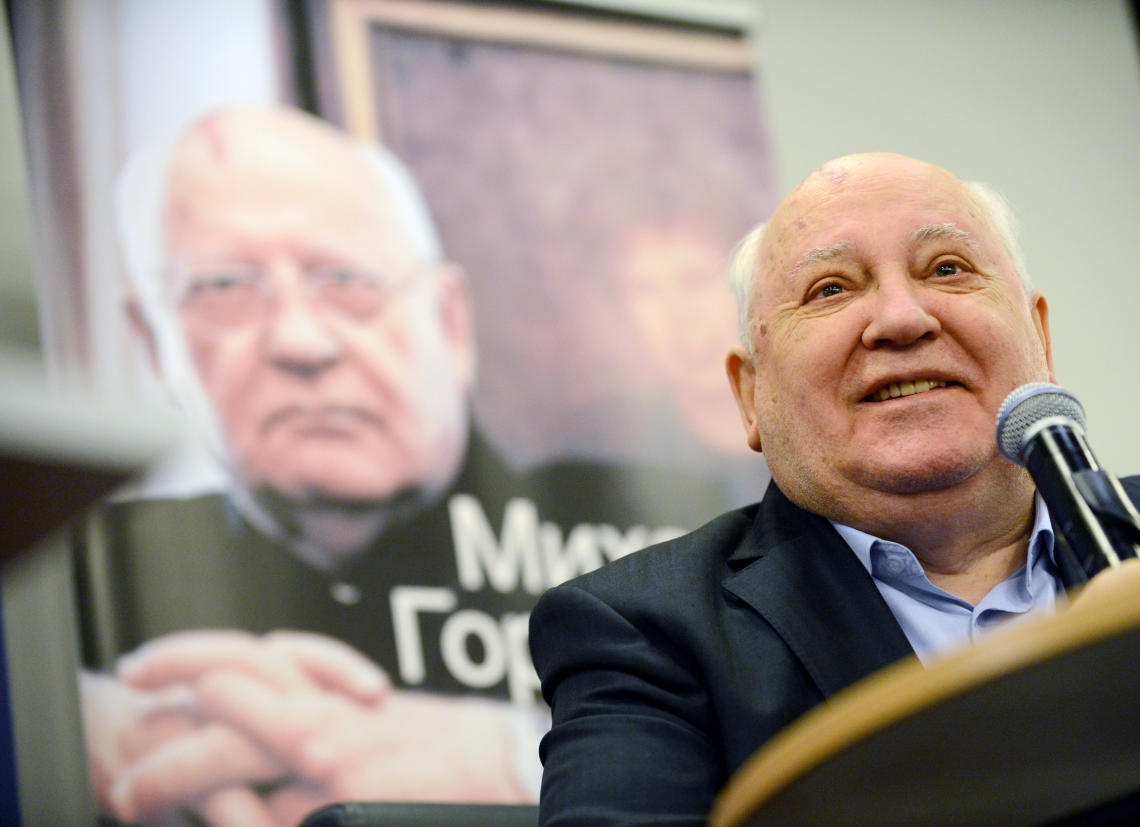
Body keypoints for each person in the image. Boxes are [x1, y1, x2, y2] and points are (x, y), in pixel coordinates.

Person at [529, 152, 1140, 824]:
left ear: (1040, 339)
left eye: (949, 268)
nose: (903, 319)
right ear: (751, 395)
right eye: (831, 288)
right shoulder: (644, 632)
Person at [80, 105, 717, 827]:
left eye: (346, 278)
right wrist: (74, 728)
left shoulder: (666, 546)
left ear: (449, 323)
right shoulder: (76, 576)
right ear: (152, 344)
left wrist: (515, 756)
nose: (299, 339)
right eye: (224, 287)